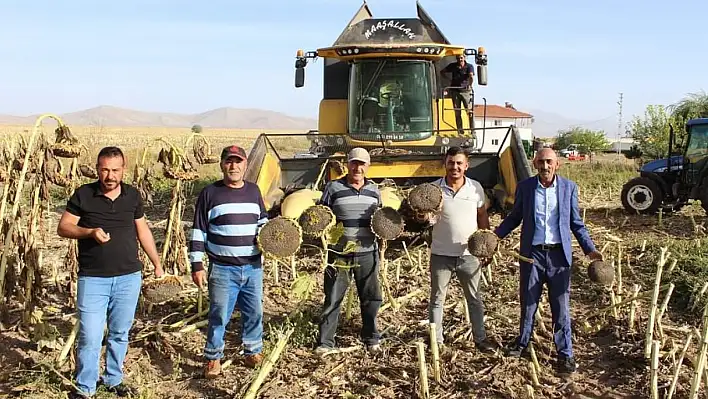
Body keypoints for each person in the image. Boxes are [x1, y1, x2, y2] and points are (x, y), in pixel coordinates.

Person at [57, 146, 163, 399]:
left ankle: (113, 379)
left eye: (115, 170)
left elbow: (143, 231)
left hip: (128, 277)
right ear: (97, 169)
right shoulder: (84, 194)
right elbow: (64, 227)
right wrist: (89, 231)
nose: (110, 176)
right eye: (105, 170)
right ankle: (85, 388)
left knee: (119, 333)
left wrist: (157, 264)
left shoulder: (132, 196)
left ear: (123, 170)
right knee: (91, 335)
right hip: (93, 279)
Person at [494, 148, 603, 375]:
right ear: (535, 164)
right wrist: (495, 236)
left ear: (557, 164)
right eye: (541, 162)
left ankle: (565, 355)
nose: (545, 166)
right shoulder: (525, 187)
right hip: (532, 256)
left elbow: (576, 223)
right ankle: (522, 344)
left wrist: (590, 250)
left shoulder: (568, 188)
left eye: (549, 162)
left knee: (561, 307)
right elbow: (515, 217)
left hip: (559, 257)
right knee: (528, 303)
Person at [188, 145, 269, 379]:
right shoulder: (210, 193)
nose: (233, 166)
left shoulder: (254, 191)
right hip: (222, 268)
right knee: (219, 315)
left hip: (252, 266)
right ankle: (213, 357)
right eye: (229, 161)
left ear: (245, 165)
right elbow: (198, 231)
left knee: (254, 312)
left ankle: (253, 350)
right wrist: (197, 265)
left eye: (238, 161)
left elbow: (262, 222)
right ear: (222, 164)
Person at [424, 146, 496, 352]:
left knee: (474, 299)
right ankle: (436, 341)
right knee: (437, 299)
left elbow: (482, 216)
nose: (454, 167)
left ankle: (480, 339)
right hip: (441, 254)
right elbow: (429, 219)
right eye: (450, 162)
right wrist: (424, 219)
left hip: (469, 255)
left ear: (466, 165)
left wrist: (487, 246)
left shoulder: (475, 189)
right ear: (444, 164)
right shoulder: (434, 190)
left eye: (458, 163)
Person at [314, 147, 383, 356]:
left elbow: (380, 220)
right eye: (354, 163)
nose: (358, 168)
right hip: (339, 254)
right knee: (333, 298)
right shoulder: (333, 188)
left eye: (362, 164)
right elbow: (321, 217)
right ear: (347, 164)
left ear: (368, 166)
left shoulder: (375, 191)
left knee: (371, 297)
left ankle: (371, 337)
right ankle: (325, 342)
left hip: (367, 251)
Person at [440, 54, 475, 134]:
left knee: (470, 112)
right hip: (455, 91)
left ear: (464, 58)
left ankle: (472, 131)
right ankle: (460, 130)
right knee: (457, 112)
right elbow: (442, 72)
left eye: (461, 58)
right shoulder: (453, 66)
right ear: (456, 59)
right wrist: (448, 80)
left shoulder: (469, 66)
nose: (460, 59)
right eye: (458, 58)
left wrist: (470, 84)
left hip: (466, 92)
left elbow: (471, 76)